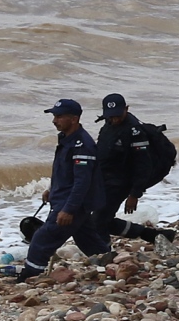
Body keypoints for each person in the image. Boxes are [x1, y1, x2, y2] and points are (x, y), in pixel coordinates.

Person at [16, 99, 111, 283]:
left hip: (72, 203)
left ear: (74, 119)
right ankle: (111, 263)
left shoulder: (82, 145)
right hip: (64, 198)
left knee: (42, 239)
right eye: (54, 116)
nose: (54, 121)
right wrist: (51, 189)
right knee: (88, 241)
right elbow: (63, 170)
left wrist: (69, 209)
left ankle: (29, 276)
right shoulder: (66, 138)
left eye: (59, 116)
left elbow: (82, 182)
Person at [92, 93, 175, 245]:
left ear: (126, 109)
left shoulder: (135, 131)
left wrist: (135, 194)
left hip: (120, 183)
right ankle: (152, 235)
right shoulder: (108, 124)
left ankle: (102, 253)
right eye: (111, 116)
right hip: (104, 179)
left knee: (99, 221)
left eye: (118, 115)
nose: (115, 119)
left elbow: (143, 165)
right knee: (102, 220)